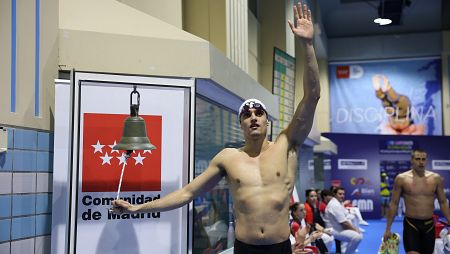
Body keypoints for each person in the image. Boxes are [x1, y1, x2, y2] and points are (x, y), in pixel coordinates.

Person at [112, 2, 321, 254]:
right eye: (246, 114)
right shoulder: (228, 158)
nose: (252, 118)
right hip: (245, 248)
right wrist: (138, 207)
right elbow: (187, 192)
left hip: (279, 248)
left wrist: (308, 46)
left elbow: (312, 97)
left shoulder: (287, 146)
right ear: (241, 124)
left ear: (268, 121)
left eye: (258, 113)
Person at [383, 149, 450, 254]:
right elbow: (394, 204)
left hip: (429, 225)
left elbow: (443, 202)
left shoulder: (436, 179)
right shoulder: (401, 179)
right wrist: (388, 229)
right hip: (411, 224)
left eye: (423, 159)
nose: (421, 162)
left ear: (426, 161)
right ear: (412, 161)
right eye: (418, 159)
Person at [325, 187, 362, 254]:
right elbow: (344, 223)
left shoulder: (338, 202)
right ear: (335, 194)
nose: (342, 195)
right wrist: (355, 229)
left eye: (343, 194)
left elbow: (345, 217)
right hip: (334, 230)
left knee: (352, 219)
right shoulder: (334, 205)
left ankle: (347, 250)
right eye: (340, 194)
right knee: (357, 236)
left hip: (339, 228)